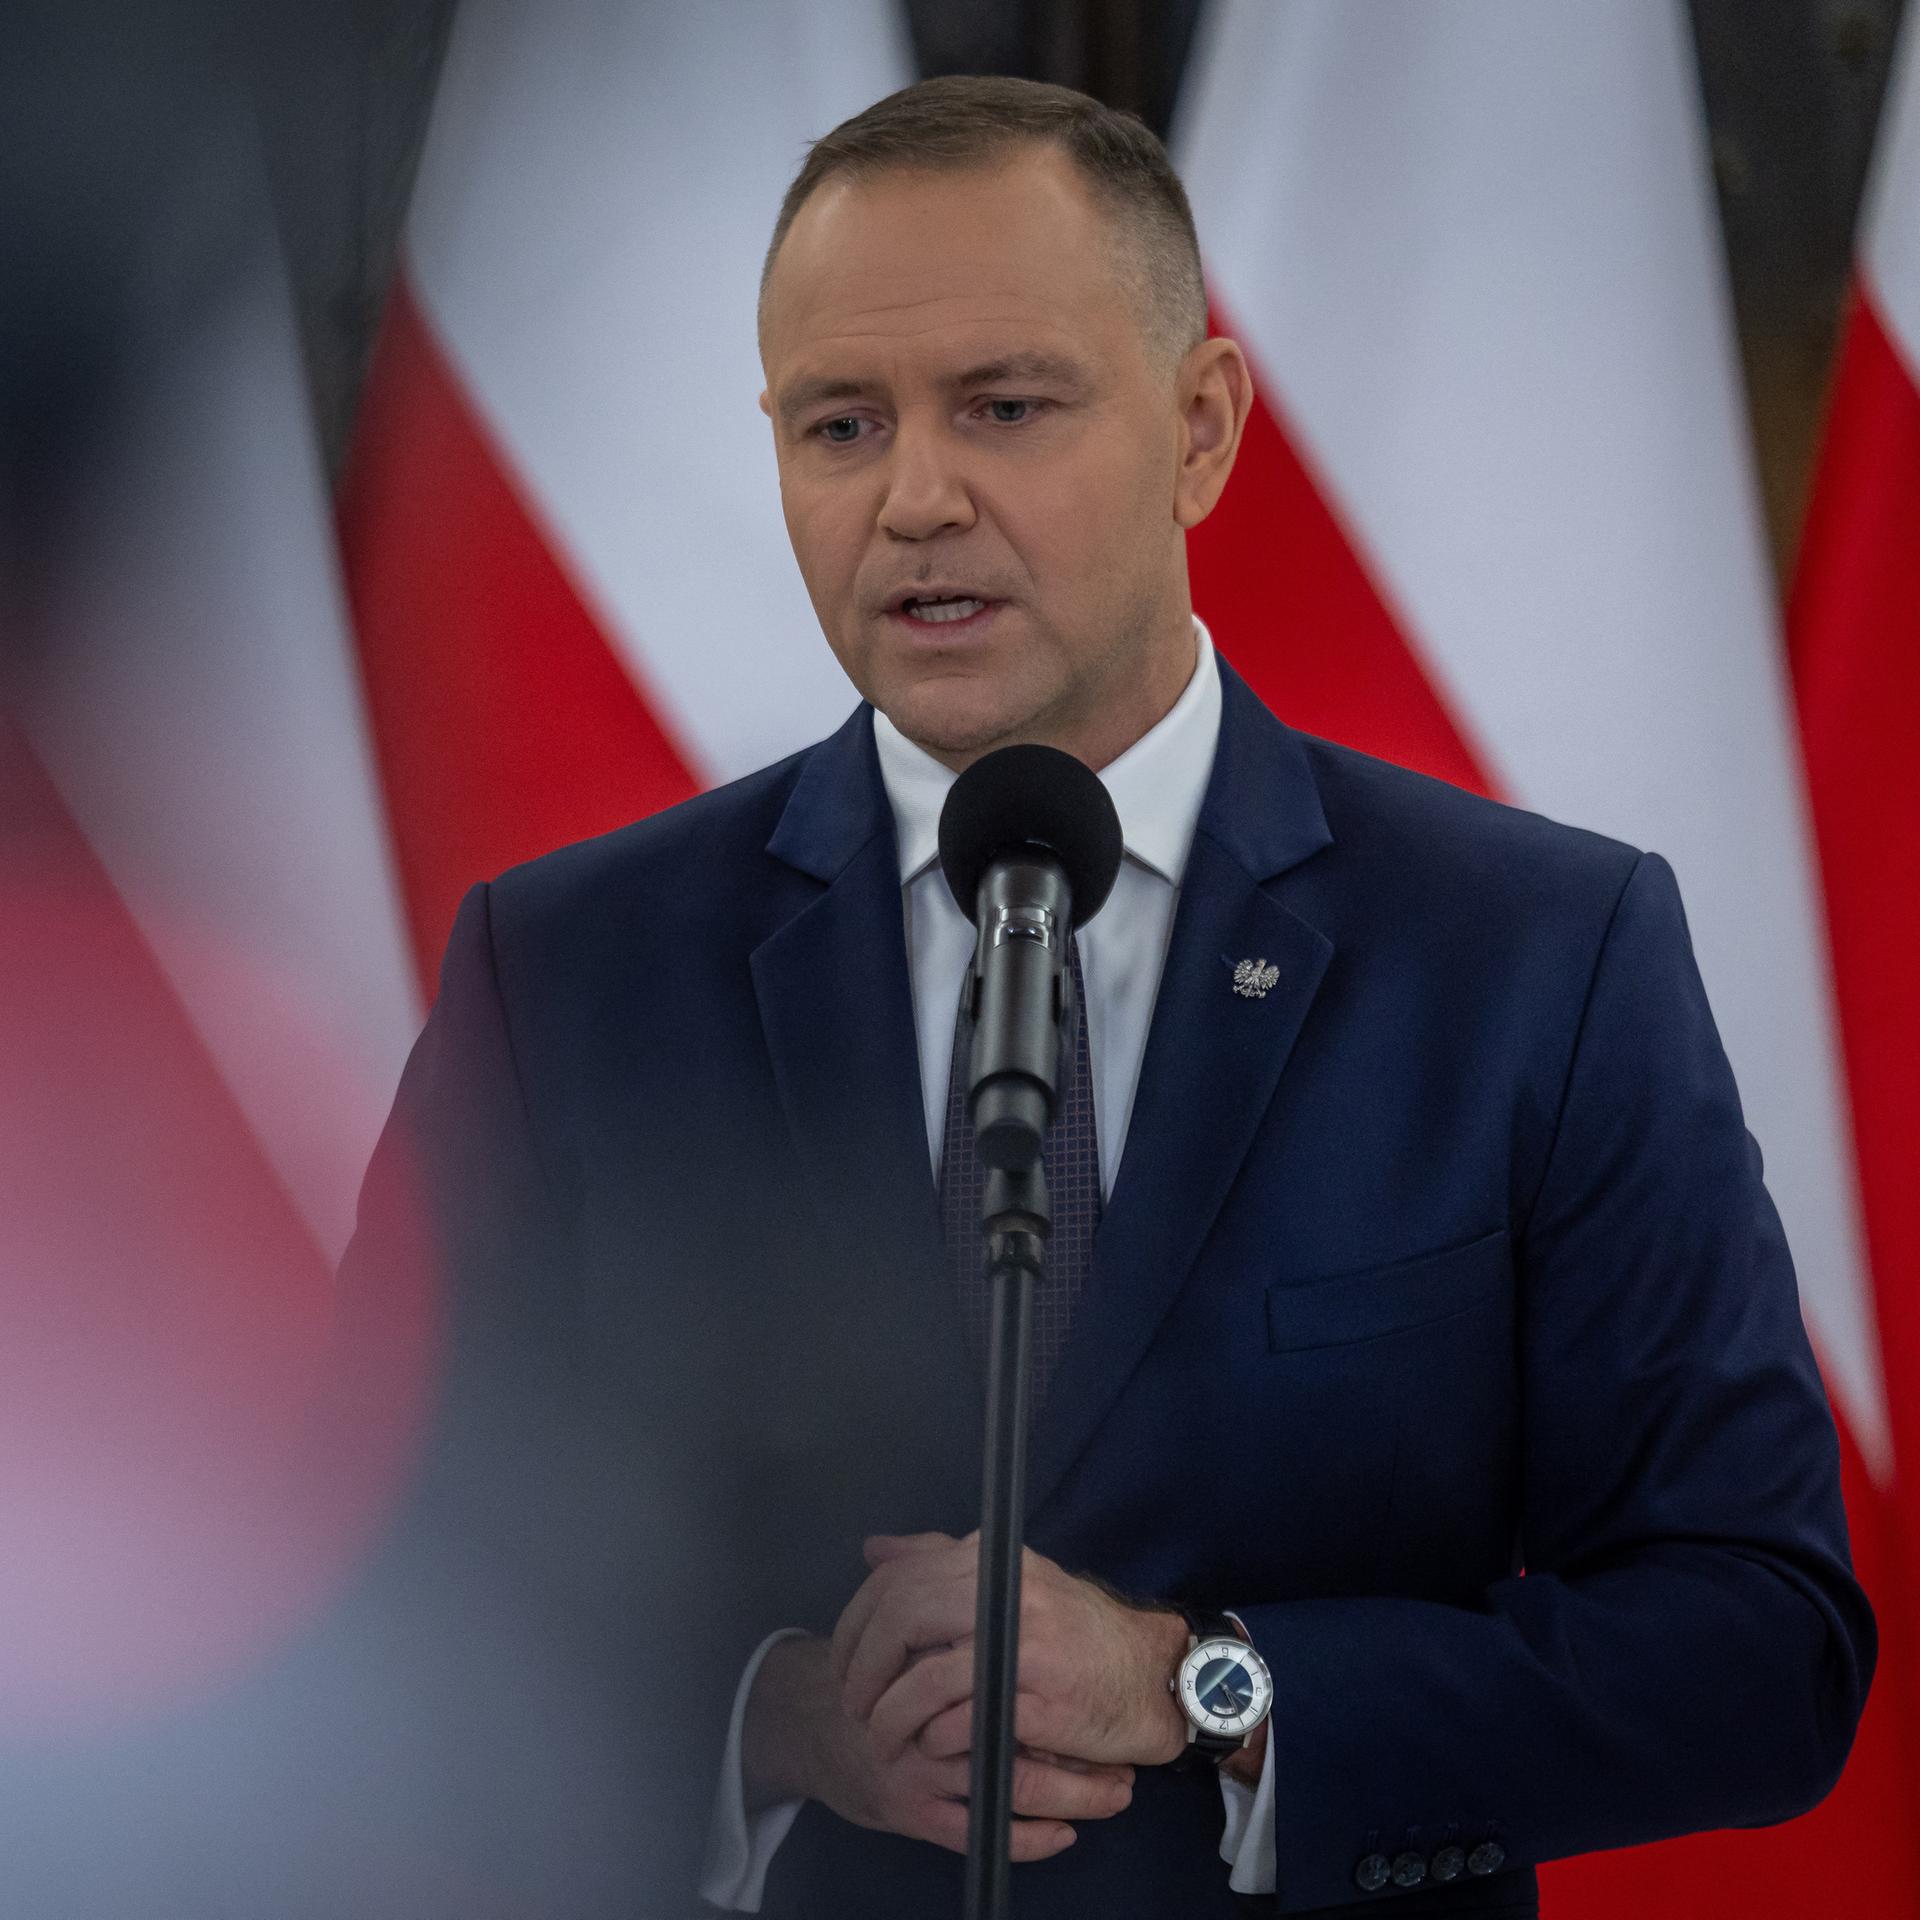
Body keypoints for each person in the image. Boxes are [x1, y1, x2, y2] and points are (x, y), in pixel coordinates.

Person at [313, 75, 1872, 1919]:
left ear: (1202, 428)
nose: (915, 499)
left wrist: (1202, 1688)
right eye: (841, 423)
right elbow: (367, 1605)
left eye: (1006, 406)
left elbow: (1759, 1641)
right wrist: (769, 1722)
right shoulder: (570, 971)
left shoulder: (1537, 953)